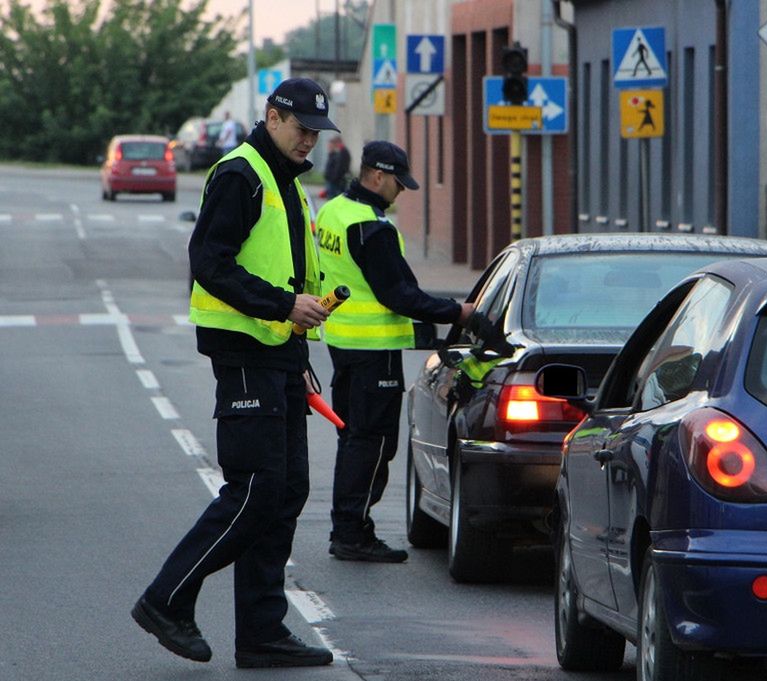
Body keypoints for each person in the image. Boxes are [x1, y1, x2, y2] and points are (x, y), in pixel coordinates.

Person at [131, 78, 338, 668]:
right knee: (255, 490)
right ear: (272, 117)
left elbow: (292, 278)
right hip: (245, 355)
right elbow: (209, 265)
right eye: (301, 130)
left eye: (316, 134)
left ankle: (262, 632)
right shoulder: (241, 174)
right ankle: (165, 599)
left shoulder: (287, 185)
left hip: (277, 357)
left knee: (286, 490)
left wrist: (297, 360)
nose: (309, 143)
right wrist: (281, 306)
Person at [315, 140, 502, 563]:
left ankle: (349, 528)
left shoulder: (333, 211)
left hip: (344, 344)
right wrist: (460, 312)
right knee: (374, 444)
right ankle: (352, 533)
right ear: (377, 176)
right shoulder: (372, 228)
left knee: (354, 439)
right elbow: (399, 295)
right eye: (398, 183)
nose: (401, 191)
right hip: (374, 350)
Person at [323, 135, 351, 199]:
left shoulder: (343, 151)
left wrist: (334, 178)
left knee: (333, 197)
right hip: (335, 179)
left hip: (337, 180)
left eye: (335, 143)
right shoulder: (340, 151)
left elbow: (340, 167)